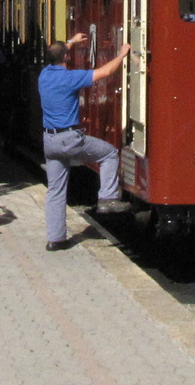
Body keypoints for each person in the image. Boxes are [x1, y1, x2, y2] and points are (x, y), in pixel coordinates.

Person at [38, 34, 131, 251]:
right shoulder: (70, 78)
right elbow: (106, 72)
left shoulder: (44, 75)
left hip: (49, 140)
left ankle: (56, 239)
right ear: (67, 57)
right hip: (69, 138)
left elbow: (57, 54)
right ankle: (107, 197)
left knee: (55, 190)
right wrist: (121, 54)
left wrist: (70, 41)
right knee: (108, 153)